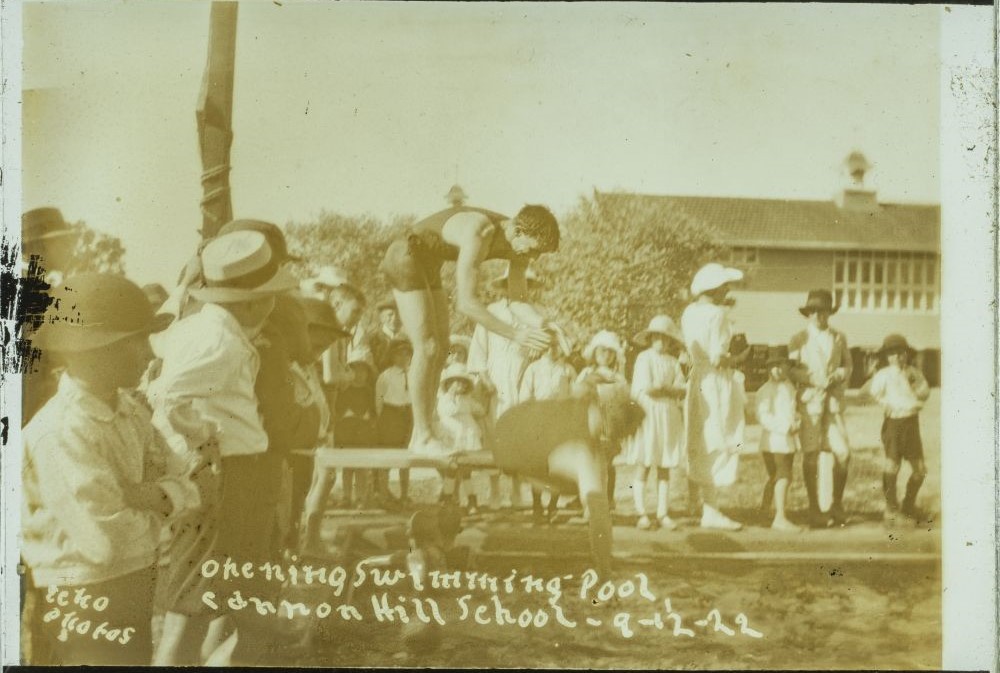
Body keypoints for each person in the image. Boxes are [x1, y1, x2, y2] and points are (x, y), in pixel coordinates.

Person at [22, 273, 194, 666]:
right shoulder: (60, 432)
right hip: (82, 593)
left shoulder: (130, 412)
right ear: (97, 351)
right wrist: (161, 505)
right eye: (138, 341)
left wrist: (145, 496)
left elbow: (183, 476)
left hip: (133, 580)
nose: (151, 355)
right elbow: (103, 539)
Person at [145, 230, 297, 665]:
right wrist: (199, 447)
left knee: (212, 601)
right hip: (231, 474)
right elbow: (163, 395)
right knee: (196, 603)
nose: (273, 304)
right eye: (270, 296)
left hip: (237, 472)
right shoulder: (221, 342)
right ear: (251, 302)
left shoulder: (201, 328)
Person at [379, 204, 560, 455]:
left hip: (429, 263)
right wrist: (516, 334)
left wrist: (545, 324)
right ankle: (421, 436)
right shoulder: (481, 231)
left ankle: (424, 433)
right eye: (533, 249)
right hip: (405, 256)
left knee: (441, 350)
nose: (533, 258)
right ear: (518, 230)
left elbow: (517, 300)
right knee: (428, 347)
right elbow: (466, 303)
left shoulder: (519, 245)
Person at [493, 380, 644, 579]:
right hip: (515, 447)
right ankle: (604, 568)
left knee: (593, 474)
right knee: (596, 491)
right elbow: (598, 514)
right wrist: (605, 572)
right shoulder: (584, 451)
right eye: (622, 438)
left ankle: (602, 555)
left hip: (510, 425)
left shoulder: (583, 409)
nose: (620, 445)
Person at [680, 262, 748, 531]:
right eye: (723, 286)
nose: (726, 291)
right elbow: (719, 357)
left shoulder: (688, 312)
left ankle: (699, 502)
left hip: (697, 379)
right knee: (719, 437)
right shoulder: (717, 315)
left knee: (701, 437)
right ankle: (711, 510)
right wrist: (740, 358)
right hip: (715, 382)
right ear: (714, 289)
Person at [788, 289, 853, 528]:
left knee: (843, 453)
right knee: (811, 454)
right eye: (814, 311)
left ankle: (836, 504)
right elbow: (790, 369)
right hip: (811, 402)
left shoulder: (839, 337)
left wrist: (838, 374)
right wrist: (812, 378)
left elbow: (848, 365)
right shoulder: (799, 339)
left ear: (829, 313)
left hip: (833, 403)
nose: (818, 316)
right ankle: (814, 507)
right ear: (808, 314)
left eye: (823, 311)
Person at [862, 334, 931, 525]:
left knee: (920, 469)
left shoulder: (913, 372)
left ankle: (908, 505)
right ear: (887, 357)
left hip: (911, 423)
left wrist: (915, 386)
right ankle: (891, 508)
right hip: (894, 424)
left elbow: (925, 393)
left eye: (901, 354)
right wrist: (886, 403)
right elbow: (871, 393)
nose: (897, 358)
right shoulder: (884, 374)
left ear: (907, 354)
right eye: (892, 354)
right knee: (892, 465)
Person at [627, 316, 687, 531]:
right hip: (649, 413)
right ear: (650, 338)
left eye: (665, 338)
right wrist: (666, 389)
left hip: (667, 415)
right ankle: (641, 512)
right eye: (656, 337)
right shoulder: (644, 358)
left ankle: (662, 512)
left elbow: (682, 388)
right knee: (644, 462)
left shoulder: (673, 362)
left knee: (664, 464)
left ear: (670, 341)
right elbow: (648, 389)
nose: (660, 342)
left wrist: (666, 388)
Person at [519, 329, 577, 524]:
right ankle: (537, 505)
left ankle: (553, 506)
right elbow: (525, 398)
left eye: (556, 345)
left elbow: (575, 397)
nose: (553, 350)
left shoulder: (567, 370)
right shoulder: (533, 369)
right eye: (549, 345)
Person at [576, 330, 630, 514]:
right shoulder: (587, 373)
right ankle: (589, 504)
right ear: (594, 353)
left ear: (614, 355)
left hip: (610, 426)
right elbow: (577, 396)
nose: (605, 355)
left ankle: (607, 501)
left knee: (607, 464)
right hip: (590, 423)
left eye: (609, 352)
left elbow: (624, 401)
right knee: (590, 464)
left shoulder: (618, 378)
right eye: (601, 351)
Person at [756, 346, 803, 531]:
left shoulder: (789, 387)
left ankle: (764, 510)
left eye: (781, 366)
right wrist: (785, 427)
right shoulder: (765, 390)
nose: (777, 370)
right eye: (772, 366)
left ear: (787, 367)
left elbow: (791, 410)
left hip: (786, 441)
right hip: (774, 441)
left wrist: (796, 419)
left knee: (775, 477)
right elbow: (763, 416)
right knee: (784, 476)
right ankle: (780, 517)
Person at [334, 357, 379, 508]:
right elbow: (337, 410)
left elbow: (374, 411)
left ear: (367, 373)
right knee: (347, 466)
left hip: (363, 431)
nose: (360, 374)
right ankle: (346, 496)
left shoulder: (369, 391)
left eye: (363, 371)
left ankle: (360, 497)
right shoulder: (344, 389)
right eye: (356, 370)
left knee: (361, 466)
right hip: (346, 430)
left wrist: (369, 420)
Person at [375, 339, 415, 504]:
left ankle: (404, 495)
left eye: (407, 353)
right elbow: (378, 400)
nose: (403, 357)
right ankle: (383, 494)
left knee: (406, 456)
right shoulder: (386, 375)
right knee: (387, 455)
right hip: (390, 415)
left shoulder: (414, 373)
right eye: (399, 353)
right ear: (392, 355)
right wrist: (383, 420)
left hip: (408, 414)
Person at [437, 362, 487, 452]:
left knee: (471, 444)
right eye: (458, 382)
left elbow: (479, 410)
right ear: (448, 384)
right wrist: (453, 397)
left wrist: (483, 405)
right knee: (453, 447)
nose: (462, 385)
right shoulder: (445, 398)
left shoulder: (467, 399)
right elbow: (446, 411)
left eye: (464, 383)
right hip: (452, 427)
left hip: (468, 428)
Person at [368, 296, 403, 372]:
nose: (394, 319)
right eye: (390, 315)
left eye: (398, 315)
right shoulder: (373, 339)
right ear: (382, 318)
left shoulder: (405, 338)